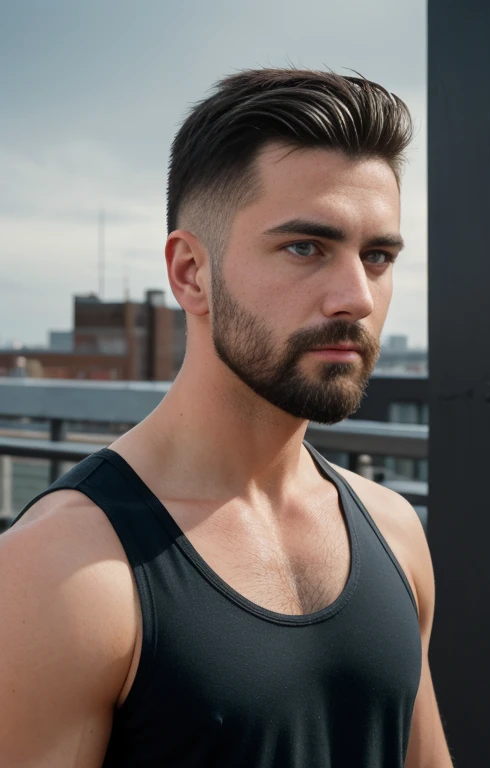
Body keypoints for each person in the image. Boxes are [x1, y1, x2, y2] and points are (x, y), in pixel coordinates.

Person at [0, 68, 454, 767]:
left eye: (379, 256)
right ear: (190, 274)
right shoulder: (59, 573)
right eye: (306, 247)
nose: (357, 297)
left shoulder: (395, 532)